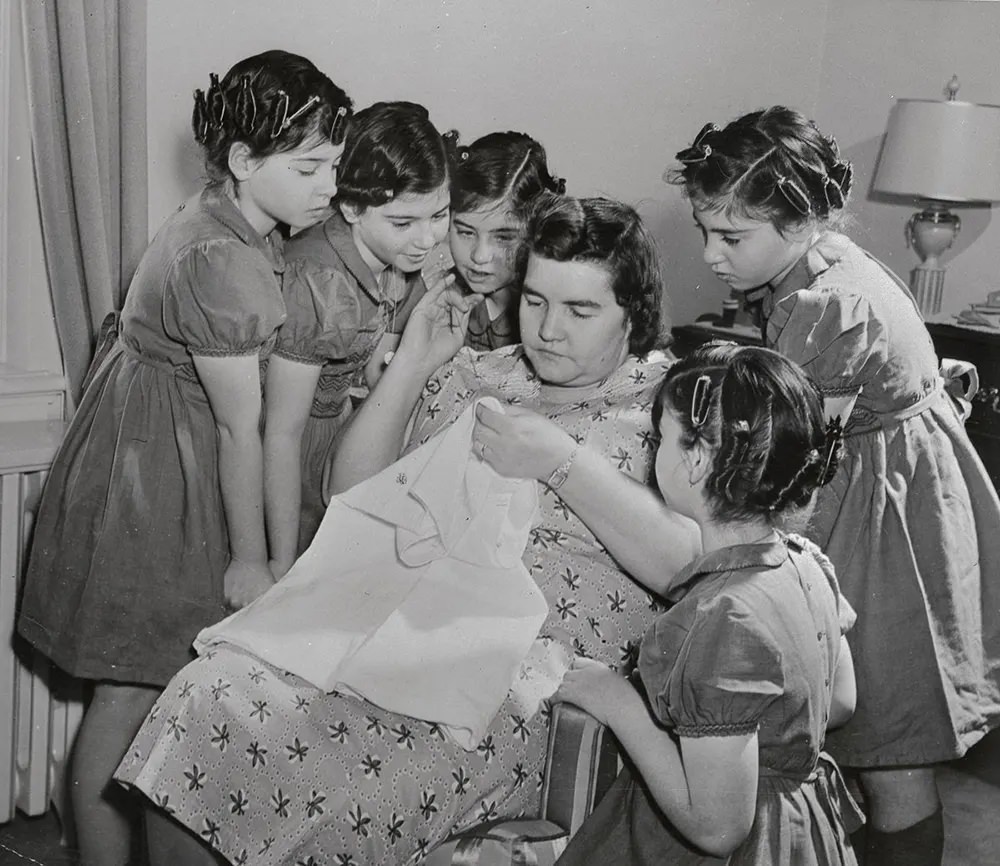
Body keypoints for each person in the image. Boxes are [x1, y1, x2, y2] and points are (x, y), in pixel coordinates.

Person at [114, 193, 700, 866]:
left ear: (636, 312)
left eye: (580, 310)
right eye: (535, 300)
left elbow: (689, 567)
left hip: (514, 687)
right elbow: (351, 494)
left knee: (325, 776)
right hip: (393, 634)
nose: (547, 330)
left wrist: (561, 463)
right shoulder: (482, 373)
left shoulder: (667, 409)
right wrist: (418, 362)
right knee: (204, 694)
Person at [14, 50, 351, 866]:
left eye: (334, 167)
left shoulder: (236, 222)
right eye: (309, 167)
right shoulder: (219, 257)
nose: (328, 187)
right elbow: (242, 428)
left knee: (150, 692)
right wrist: (251, 559)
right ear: (243, 162)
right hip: (160, 479)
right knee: (130, 691)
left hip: (161, 459)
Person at [668, 105, 1000, 866]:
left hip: (883, 529)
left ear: (800, 220)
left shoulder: (824, 304)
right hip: (912, 496)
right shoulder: (839, 262)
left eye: (731, 236)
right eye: (705, 231)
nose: (712, 254)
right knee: (886, 747)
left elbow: (781, 444)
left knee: (891, 752)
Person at [553, 342, 862, 865]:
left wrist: (620, 705)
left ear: (694, 460)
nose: (654, 452)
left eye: (661, 439)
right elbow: (840, 701)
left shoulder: (721, 616)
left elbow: (717, 828)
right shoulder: (807, 563)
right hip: (797, 832)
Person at [263, 101, 452, 566]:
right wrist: (281, 562)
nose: (427, 240)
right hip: (288, 450)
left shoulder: (394, 262)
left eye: (440, 215)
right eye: (404, 222)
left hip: (335, 430)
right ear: (350, 206)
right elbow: (280, 432)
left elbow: (374, 368)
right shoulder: (322, 281)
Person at [447, 131, 565, 351]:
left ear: (536, 231)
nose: (479, 256)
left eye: (503, 238)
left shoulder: (552, 319)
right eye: (466, 232)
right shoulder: (436, 298)